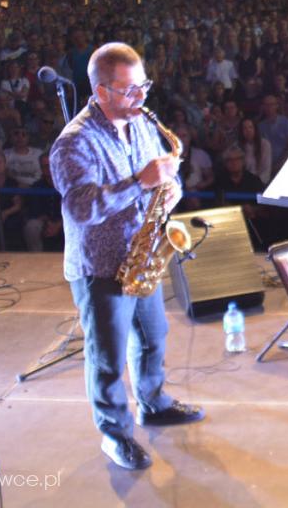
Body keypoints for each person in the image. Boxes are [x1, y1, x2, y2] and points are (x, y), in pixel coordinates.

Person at [49, 42, 204, 472]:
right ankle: (115, 435)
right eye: (130, 90)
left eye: (144, 87)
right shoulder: (72, 143)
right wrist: (141, 181)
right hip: (100, 266)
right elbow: (82, 207)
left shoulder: (140, 124)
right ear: (101, 92)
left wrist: (168, 190)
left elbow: (161, 178)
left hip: (143, 253)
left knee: (154, 337)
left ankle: (152, 402)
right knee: (108, 359)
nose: (142, 99)